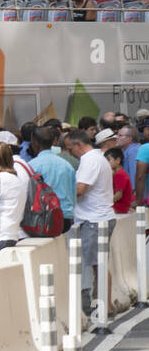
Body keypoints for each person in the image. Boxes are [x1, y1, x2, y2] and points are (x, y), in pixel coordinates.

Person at [70, 129, 115, 313]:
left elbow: (81, 189)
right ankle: (103, 305)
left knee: (98, 265)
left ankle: (106, 307)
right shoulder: (97, 158)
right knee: (99, 264)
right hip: (98, 217)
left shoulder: (90, 160)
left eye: (70, 148)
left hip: (94, 219)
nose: (70, 153)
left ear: (78, 145)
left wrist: (64, 192)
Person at [30, 126, 76, 231]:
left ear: (35, 143)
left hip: (42, 218)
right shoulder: (67, 165)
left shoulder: (32, 166)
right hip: (65, 217)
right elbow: (73, 194)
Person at [107, 147, 133, 214]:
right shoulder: (119, 173)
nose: (106, 163)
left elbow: (118, 195)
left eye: (108, 160)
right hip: (120, 207)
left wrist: (105, 204)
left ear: (118, 160)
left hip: (118, 208)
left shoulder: (119, 174)